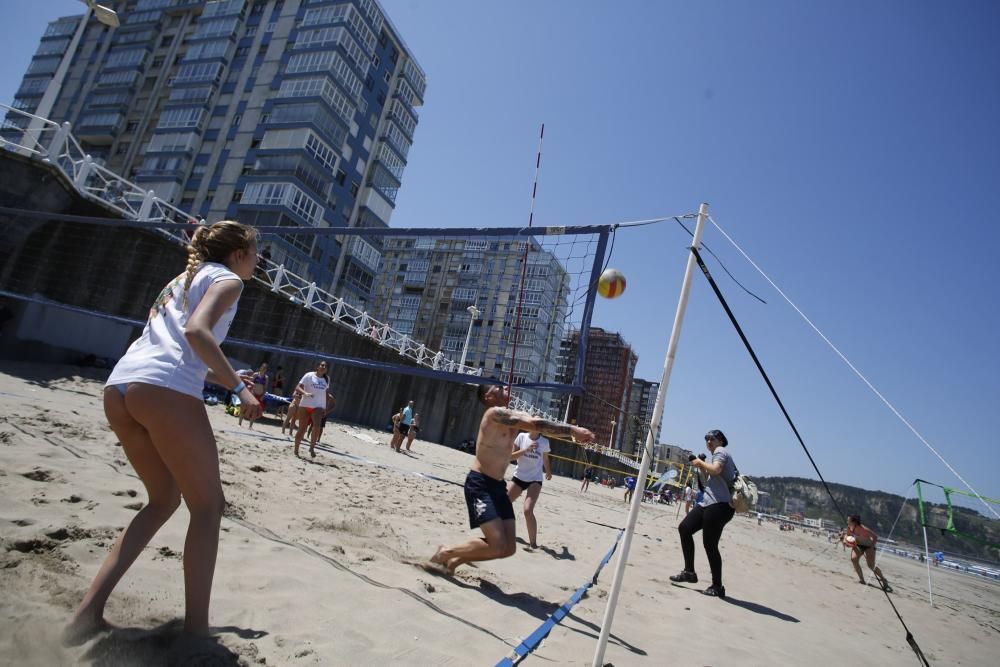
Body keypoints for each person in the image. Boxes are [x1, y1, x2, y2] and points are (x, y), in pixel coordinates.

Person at [63, 221, 262, 644]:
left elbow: (184, 347)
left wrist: (226, 375)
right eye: (255, 251)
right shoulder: (228, 280)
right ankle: (194, 634)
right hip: (161, 391)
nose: (259, 260)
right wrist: (241, 389)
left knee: (163, 500)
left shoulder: (182, 278)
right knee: (208, 508)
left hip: (120, 386)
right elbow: (196, 333)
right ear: (237, 254)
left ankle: (86, 616)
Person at [430, 385, 593, 573]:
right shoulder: (493, 413)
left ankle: (455, 561)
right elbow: (534, 425)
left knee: (508, 549)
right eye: (498, 387)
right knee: (498, 543)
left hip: (498, 486)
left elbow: (534, 422)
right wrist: (572, 430)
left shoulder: (513, 417)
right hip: (480, 483)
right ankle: (445, 552)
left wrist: (567, 432)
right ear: (489, 396)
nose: (506, 387)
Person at [669, 429, 737, 598]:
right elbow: (709, 479)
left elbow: (716, 470)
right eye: (706, 439)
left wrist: (699, 462)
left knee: (710, 545)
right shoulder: (715, 455)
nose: (708, 441)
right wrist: (700, 466)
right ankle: (689, 572)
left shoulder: (721, 452)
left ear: (720, 440)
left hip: (720, 505)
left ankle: (717, 585)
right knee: (685, 528)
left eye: (711, 438)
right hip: (708, 502)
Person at [507, 431, 552, 549]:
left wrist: (548, 471)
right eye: (534, 423)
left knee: (527, 510)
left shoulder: (544, 442)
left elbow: (545, 459)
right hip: (519, 477)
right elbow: (511, 456)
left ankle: (533, 544)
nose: (535, 426)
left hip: (535, 479)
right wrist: (526, 449)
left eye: (539, 424)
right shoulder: (521, 437)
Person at [844, 514, 892, 591]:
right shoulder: (849, 527)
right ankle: (862, 579)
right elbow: (848, 535)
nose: (847, 521)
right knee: (854, 559)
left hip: (869, 546)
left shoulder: (863, 529)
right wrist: (846, 542)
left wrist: (871, 547)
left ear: (854, 522)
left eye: (848, 520)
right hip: (858, 545)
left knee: (871, 565)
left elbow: (875, 537)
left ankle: (883, 580)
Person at [293, 361, 330, 458]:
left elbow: (326, 394)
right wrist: (305, 393)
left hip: (318, 406)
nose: (323, 367)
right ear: (317, 366)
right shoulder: (309, 375)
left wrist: (325, 407)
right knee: (302, 429)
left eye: (325, 366)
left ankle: (312, 447)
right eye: (322, 365)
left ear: (327, 370)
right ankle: (296, 451)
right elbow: (297, 387)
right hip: (305, 405)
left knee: (317, 427)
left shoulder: (326, 379)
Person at [239, 362, 269, 429]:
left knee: (255, 411)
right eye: (263, 367)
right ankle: (239, 423)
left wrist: (263, 395)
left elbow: (265, 388)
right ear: (261, 367)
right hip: (253, 393)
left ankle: (250, 426)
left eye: (265, 368)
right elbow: (250, 383)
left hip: (259, 395)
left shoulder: (266, 377)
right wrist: (250, 392)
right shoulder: (255, 374)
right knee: (244, 407)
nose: (264, 369)